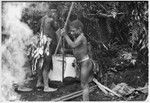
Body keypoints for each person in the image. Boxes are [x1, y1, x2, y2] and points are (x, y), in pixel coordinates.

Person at [60, 20, 94, 101]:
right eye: (71, 31)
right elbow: (76, 50)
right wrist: (65, 50)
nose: (71, 33)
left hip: (85, 62)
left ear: (79, 29)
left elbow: (73, 45)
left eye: (73, 31)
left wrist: (65, 35)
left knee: (84, 84)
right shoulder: (77, 37)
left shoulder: (82, 37)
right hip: (80, 63)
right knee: (83, 84)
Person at [36, 6, 59, 92]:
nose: (54, 13)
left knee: (41, 63)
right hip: (47, 45)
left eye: (55, 12)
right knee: (46, 65)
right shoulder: (51, 20)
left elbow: (38, 31)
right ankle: (46, 87)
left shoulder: (41, 19)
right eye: (53, 11)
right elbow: (58, 30)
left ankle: (39, 82)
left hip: (41, 44)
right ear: (48, 11)